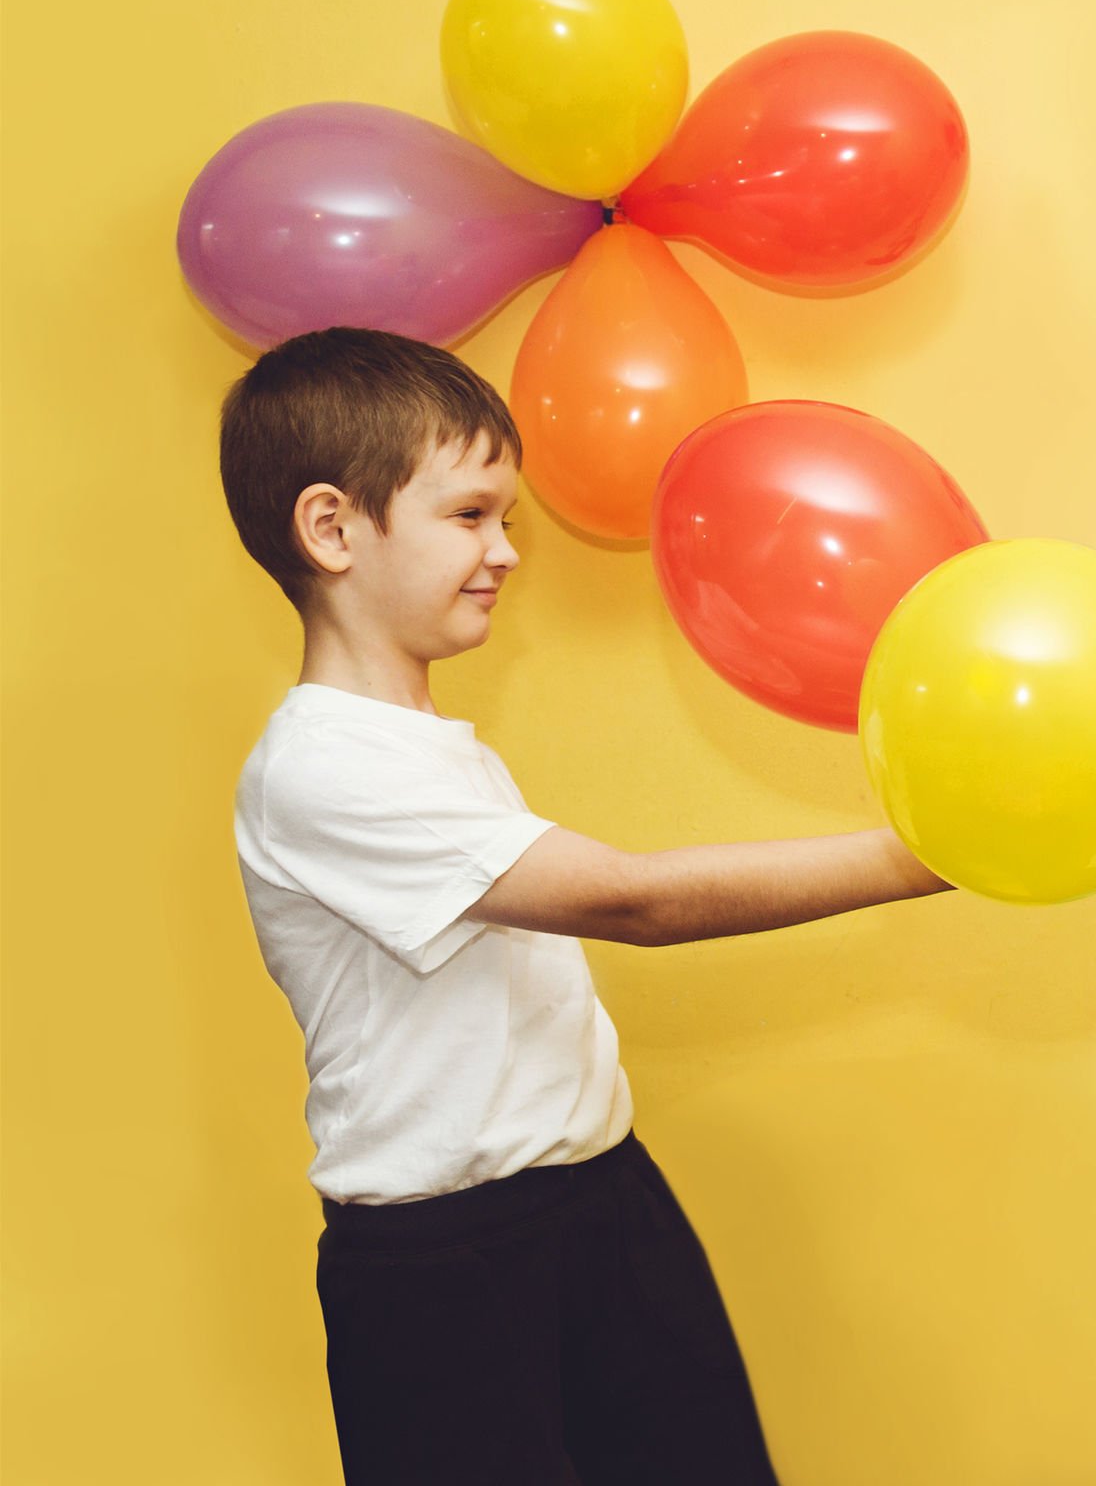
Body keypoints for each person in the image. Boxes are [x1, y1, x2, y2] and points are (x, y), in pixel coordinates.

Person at [221, 327, 951, 1484]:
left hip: (602, 1203)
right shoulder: (320, 767)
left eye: (505, 518)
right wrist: (933, 853)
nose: (506, 550)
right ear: (332, 528)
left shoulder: (430, 750)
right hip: (445, 1268)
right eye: (469, 516)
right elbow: (633, 899)